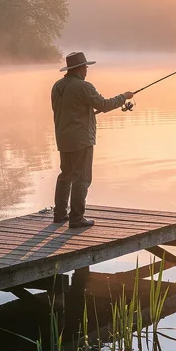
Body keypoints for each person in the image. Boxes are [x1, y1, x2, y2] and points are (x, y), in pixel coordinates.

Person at [51, 51, 134, 228]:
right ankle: (76, 218)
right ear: (80, 68)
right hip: (81, 140)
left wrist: (86, 112)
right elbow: (104, 105)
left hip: (63, 139)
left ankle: (59, 214)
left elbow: (68, 109)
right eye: (86, 67)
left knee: (66, 176)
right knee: (82, 178)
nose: (87, 70)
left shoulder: (57, 87)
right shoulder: (84, 87)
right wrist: (124, 97)